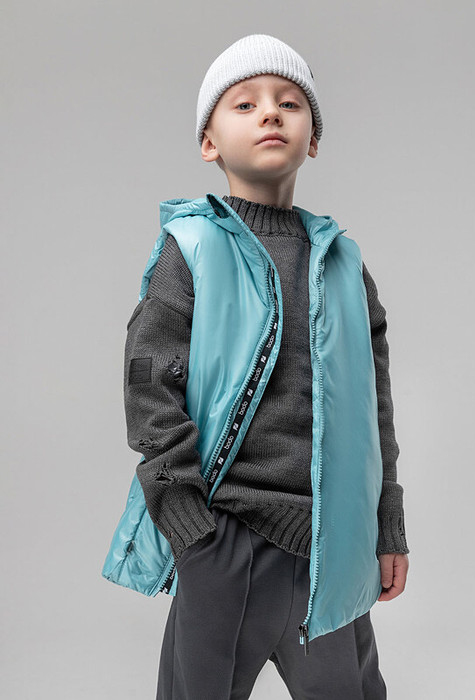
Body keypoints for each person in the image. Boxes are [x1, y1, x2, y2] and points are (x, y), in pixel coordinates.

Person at [116, 33, 410, 699]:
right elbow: (149, 382)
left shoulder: (342, 263)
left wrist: (385, 524)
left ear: (313, 140)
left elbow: (374, 407)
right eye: (244, 104)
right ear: (209, 142)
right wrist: (189, 526)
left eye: (289, 102)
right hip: (224, 540)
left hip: (329, 549)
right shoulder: (191, 247)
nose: (270, 112)